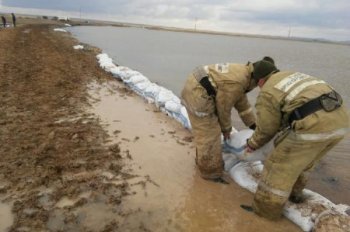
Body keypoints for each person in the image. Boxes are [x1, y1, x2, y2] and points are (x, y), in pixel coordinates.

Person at [244, 60, 349, 220]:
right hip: (341, 123)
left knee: (278, 165)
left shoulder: (268, 91)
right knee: (305, 161)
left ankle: (266, 211)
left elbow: (266, 129)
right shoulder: (292, 76)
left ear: (260, 80)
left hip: (314, 125)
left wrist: (252, 144)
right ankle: (295, 195)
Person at [181, 57, 274, 184]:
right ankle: (210, 173)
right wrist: (226, 129)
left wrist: (253, 124)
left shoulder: (245, 74)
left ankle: (202, 162)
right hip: (198, 94)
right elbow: (224, 108)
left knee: (206, 132)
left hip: (196, 86)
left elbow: (242, 103)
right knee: (210, 135)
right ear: (261, 79)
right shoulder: (238, 82)